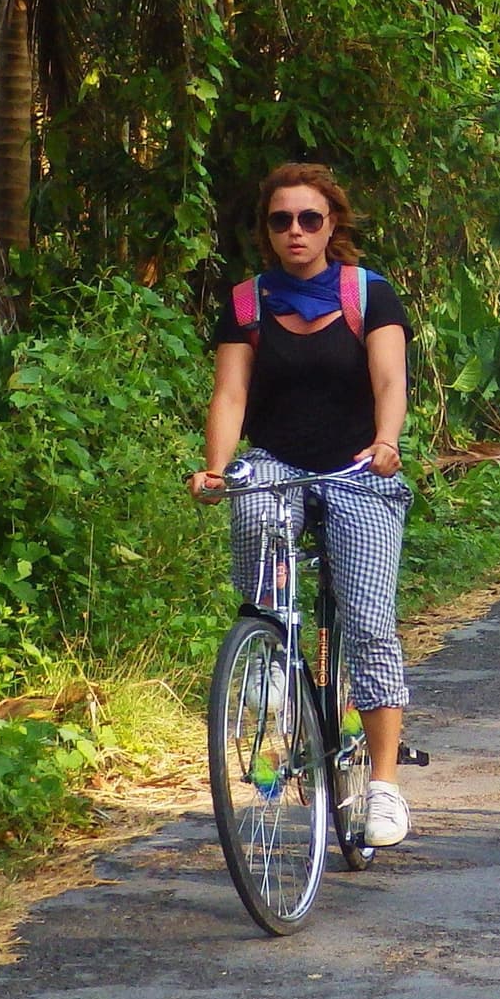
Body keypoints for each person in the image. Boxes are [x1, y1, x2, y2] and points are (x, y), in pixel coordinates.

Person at [190, 163, 418, 847]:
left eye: (309, 219)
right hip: (279, 458)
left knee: (371, 624)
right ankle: (271, 656)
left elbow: (389, 378)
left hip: (357, 465)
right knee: (254, 507)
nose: (295, 231)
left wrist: (386, 441)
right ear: (266, 230)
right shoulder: (247, 302)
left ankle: (384, 785)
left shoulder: (369, 295)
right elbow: (230, 394)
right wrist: (214, 467)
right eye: (281, 220)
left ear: (332, 226)